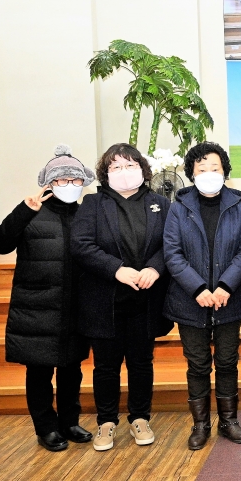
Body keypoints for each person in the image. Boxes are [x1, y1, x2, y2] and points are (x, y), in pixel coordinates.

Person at [0, 145, 95, 452]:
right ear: (49, 183)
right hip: (37, 308)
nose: (70, 187)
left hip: (76, 306)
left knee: (72, 370)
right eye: (62, 181)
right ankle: (46, 427)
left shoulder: (87, 213)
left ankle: (69, 421)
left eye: (76, 181)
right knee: (39, 371)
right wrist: (23, 211)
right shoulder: (31, 212)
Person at [71, 143, 173, 451]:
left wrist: (155, 268)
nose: (124, 172)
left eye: (130, 165)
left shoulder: (161, 204)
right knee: (106, 364)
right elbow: (81, 245)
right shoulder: (92, 204)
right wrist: (116, 269)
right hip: (105, 298)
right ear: (105, 173)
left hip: (146, 297)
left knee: (141, 362)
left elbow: (173, 244)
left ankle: (140, 418)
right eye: (115, 167)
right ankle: (106, 422)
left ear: (142, 169)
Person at [163, 142, 241, 450]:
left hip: (230, 298)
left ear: (225, 171)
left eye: (215, 168)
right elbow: (172, 254)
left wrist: (225, 286)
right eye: (201, 169)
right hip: (190, 301)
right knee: (198, 363)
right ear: (191, 173)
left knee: (228, 361)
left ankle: (229, 421)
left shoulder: (239, 206)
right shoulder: (178, 208)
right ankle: (200, 424)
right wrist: (199, 288)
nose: (209, 173)